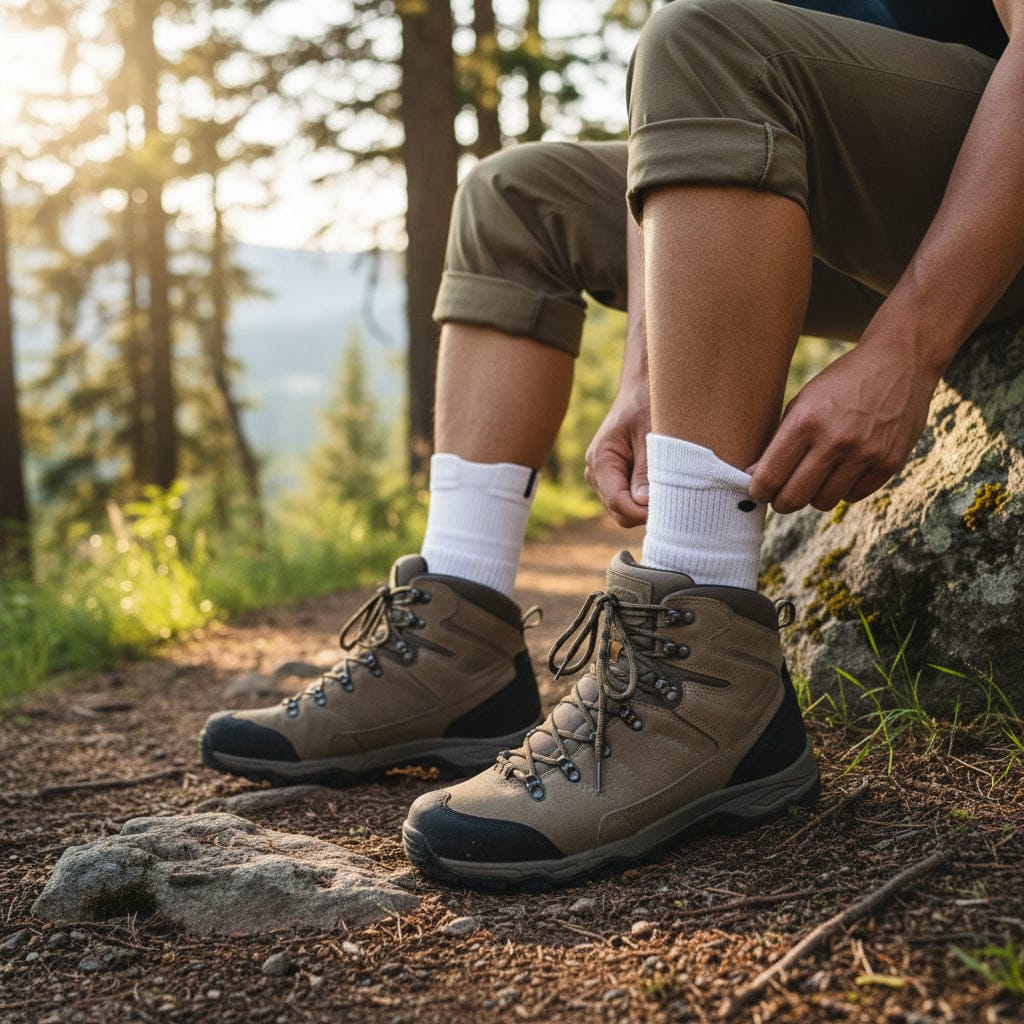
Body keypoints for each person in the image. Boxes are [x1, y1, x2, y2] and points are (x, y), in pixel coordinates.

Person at [200, 0, 1024, 888]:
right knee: (513, 198)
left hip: (995, 194)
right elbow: (675, 122)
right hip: (861, 202)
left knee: (707, 42)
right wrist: (645, 374)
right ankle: (454, 660)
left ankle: (704, 683)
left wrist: (907, 347)